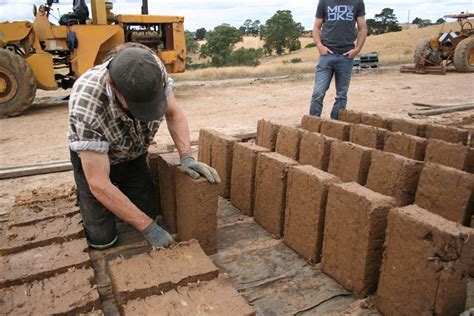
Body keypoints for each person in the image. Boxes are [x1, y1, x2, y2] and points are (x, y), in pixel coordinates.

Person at [68, 43, 220, 250]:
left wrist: (187, 157)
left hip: (134, 152)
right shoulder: (87, 102)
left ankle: (122, 198)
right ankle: (92, 202)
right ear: (113, 87)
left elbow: (174, 114)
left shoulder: (151, 69)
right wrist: (149, 230)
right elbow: (98, 183)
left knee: (149, 214)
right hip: (94, 158)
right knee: (102, 239)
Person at [309, 0, 367, 119]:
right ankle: (313, 123)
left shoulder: (357, 2)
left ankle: (335, 125)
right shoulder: (324, 2)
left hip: (346, 56)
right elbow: (316, 27)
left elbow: (362, 28)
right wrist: (320, 46)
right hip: (327, 55)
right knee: (318, 93)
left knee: (341, 95)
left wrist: (357, 49)